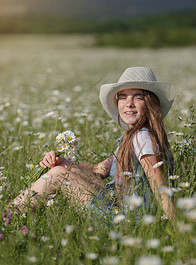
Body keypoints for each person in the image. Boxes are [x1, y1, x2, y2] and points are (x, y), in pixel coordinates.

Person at [13, 67, 176, 220]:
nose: (129, 103)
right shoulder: (131, 137)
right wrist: (64, 163)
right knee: (59, 170)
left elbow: (159, 186)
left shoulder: (142, 137)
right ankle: (13, 213)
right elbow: (99, 170)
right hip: (120, 210)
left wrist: (178, 228)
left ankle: (10, 216)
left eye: (138, 97)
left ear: (150, 104)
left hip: (128, 220)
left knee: (57, 175)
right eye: (123, 97)